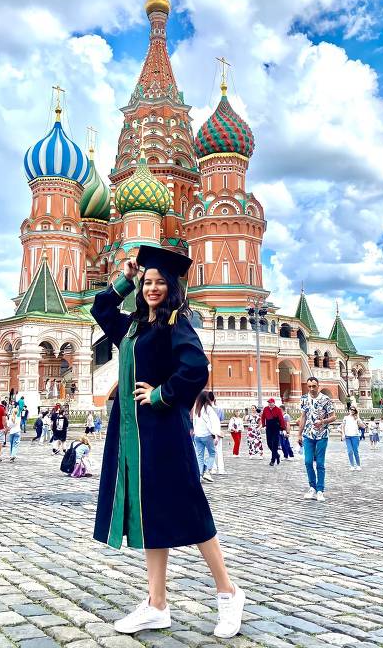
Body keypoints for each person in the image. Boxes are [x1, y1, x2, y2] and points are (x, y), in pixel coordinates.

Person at [91, 246, 245, 639]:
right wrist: (124, 277)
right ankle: (156, 604)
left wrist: (160, 394)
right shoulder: (134, 327)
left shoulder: (175, 324)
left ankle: (228, 593)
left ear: (172, 287)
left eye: (159, 282)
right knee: (148, 514)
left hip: (163, 433)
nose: (152, 288)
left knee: (190, 510)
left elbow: (196, 369)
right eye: (147, 282)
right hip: (132, 436)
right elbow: (102, 308)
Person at [298, 376, 336, 502]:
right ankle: (312, 487)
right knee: (308, 462)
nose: (311, 389)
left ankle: (320, 490)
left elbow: (333, 417)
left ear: (318, 386)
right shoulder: (304, 398)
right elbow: (303, 416)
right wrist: (299, 433)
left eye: (314, 386)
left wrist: (323, 421)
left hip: (322, 435)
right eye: (309, 386)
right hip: (308, 435)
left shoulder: (326, 399)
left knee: (320, 463)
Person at [193, 390, 222, 482]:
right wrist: (215, 435)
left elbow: (194, 422)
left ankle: (200, 474)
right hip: (207, 435)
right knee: (212, 453)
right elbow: (213, 423)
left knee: (199, 455)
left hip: (197, 435)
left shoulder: (197, 409)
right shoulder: (208, 409)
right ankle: (207, 472)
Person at [261, 398, 287, 466]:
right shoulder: (266, 409)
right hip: (269, 427)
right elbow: (263, 417)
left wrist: (283, 428)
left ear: (273, 403)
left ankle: (272, 460)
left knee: (275, 444)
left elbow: (281, 419)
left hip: (276, 427)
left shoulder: (278, 410)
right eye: (268, 402)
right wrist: (263, 424)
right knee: (269, 443)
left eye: (271, 402)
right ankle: (277, 455)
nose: (269, 404)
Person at [341, 406, 365, 471]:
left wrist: (358, 418)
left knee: (355, 451)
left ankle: (358, 465)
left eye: (353, 410)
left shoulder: (356, 418)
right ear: (349, 410)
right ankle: (352, 465)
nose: (352, 411)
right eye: (351, 409)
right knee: (349, 451)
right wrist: (343, 434)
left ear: (355, 411)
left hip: (355, 436)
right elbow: (342, 426)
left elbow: (363, 426)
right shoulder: (345, 418)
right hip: (347, 436)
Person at [209, 392, 225, 476]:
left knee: (210, 451)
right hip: (218, 431)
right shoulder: (220, 409)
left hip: (209, 432)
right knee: (219, 451)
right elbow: (222, 419)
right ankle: (221, 469)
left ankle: (213, 468)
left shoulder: (206, 409)